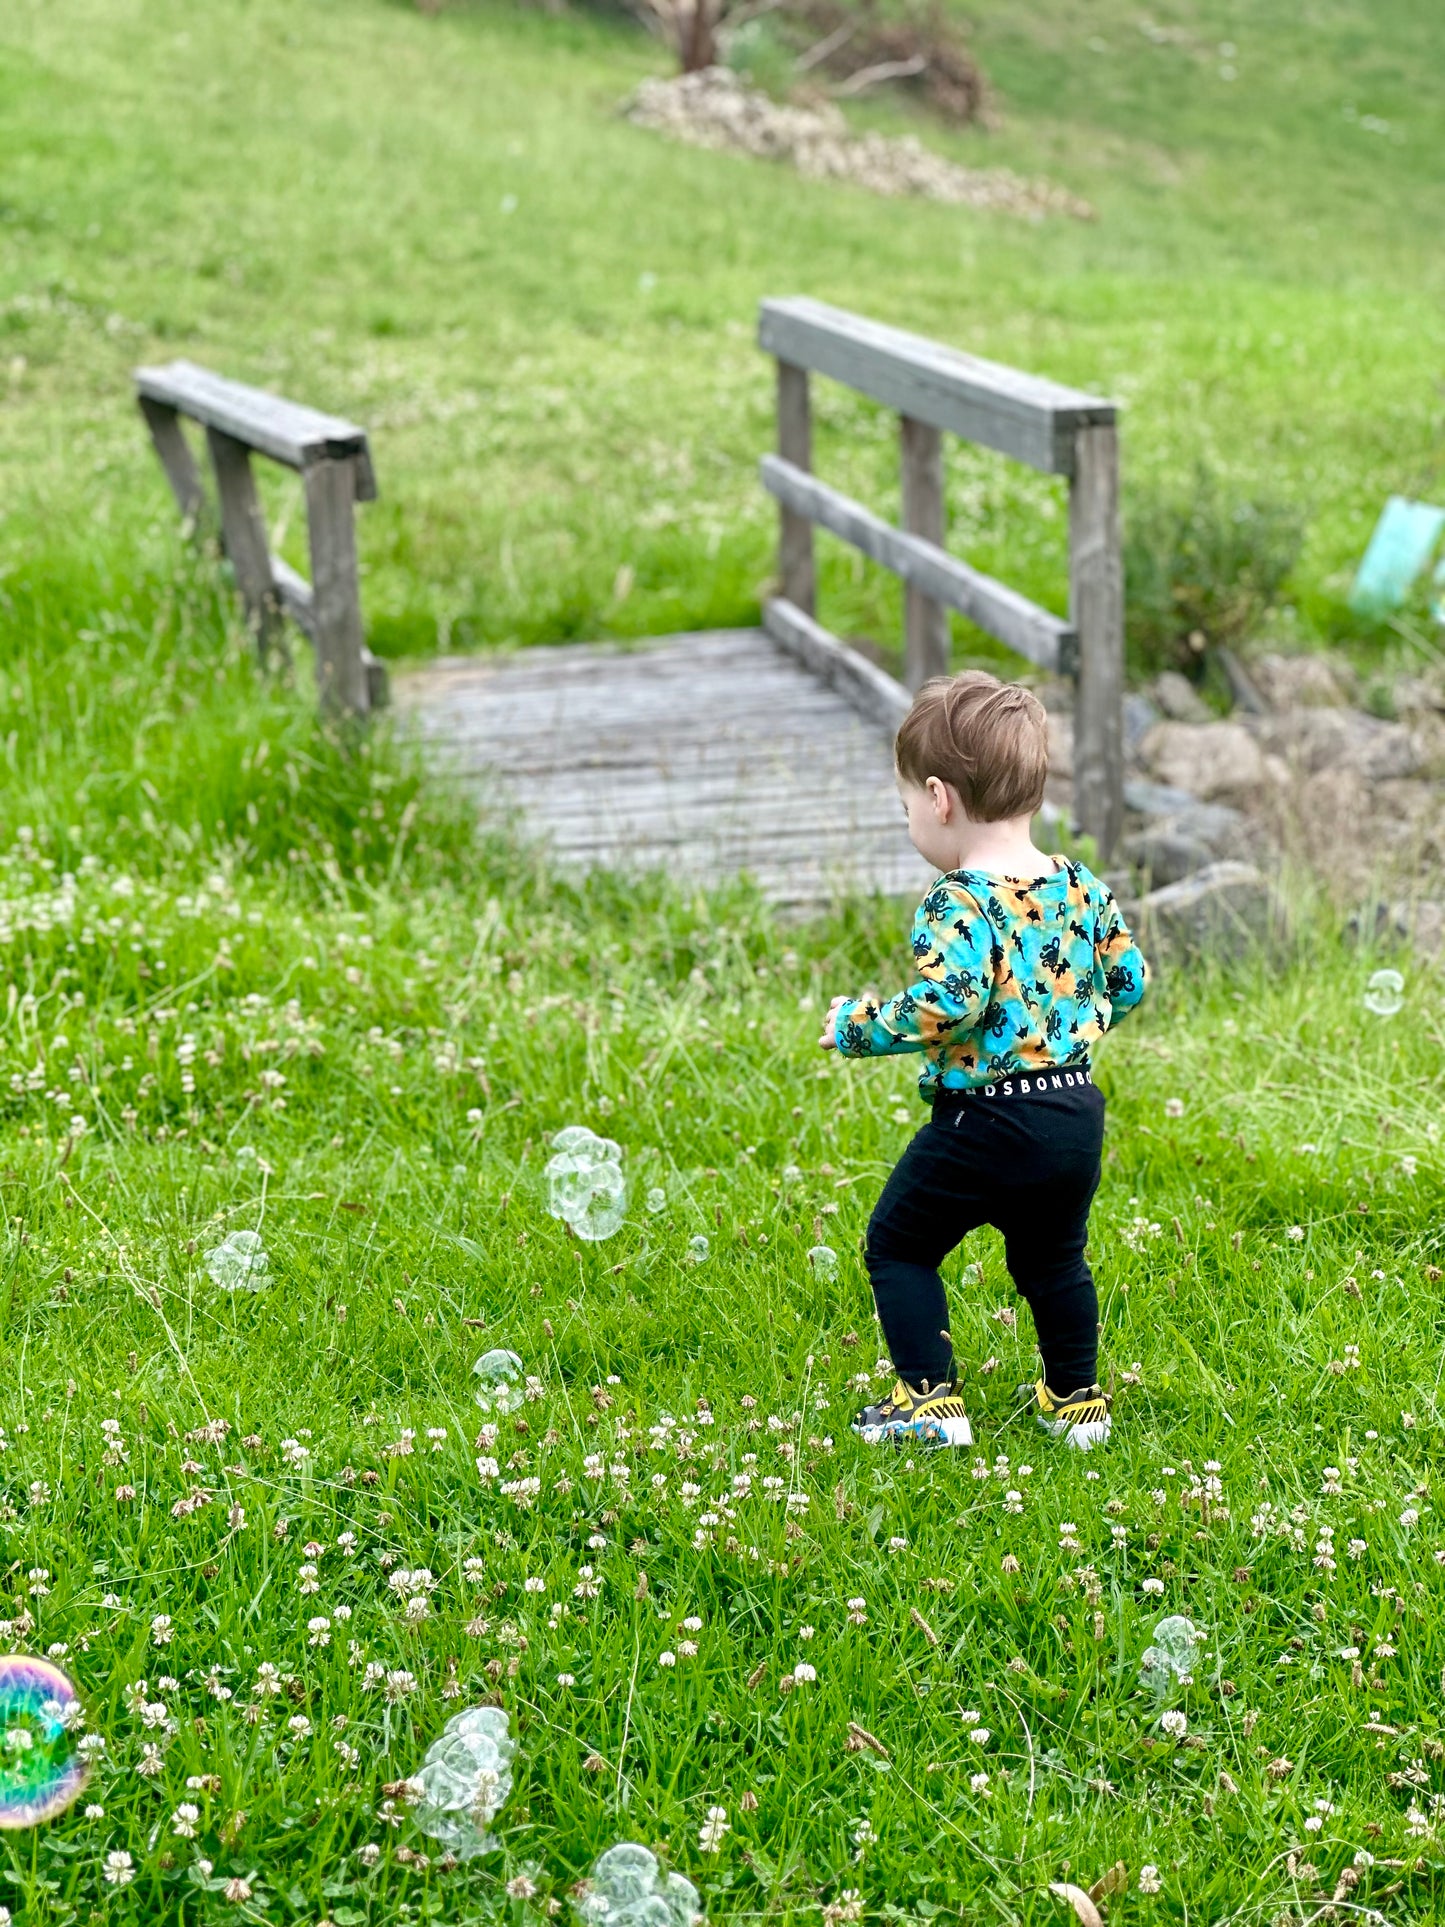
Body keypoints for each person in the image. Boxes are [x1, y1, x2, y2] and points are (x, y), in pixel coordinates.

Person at [820, 670, 1148, 1451]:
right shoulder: (1077, 883)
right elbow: (1129, 979)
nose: (910, 823)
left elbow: (950, 1002)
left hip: (986, 1118)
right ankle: (1075, 1405)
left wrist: (857, 1025)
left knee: (898, 1244)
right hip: (1073, 1114)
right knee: (1055, 1261)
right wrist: (1074, 1027)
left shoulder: (956, 897)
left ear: (939, 797)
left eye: (905, 806)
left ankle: (928, 1404)